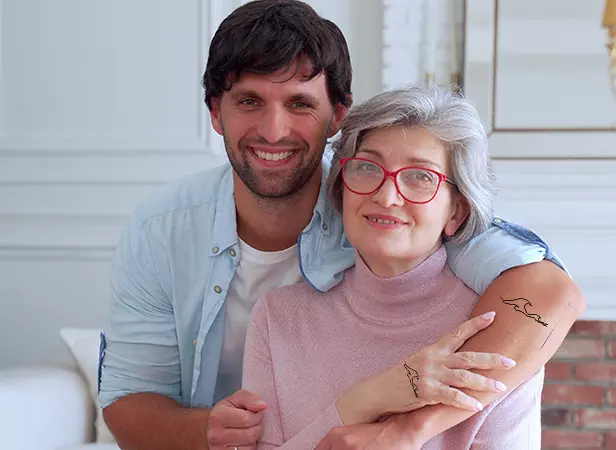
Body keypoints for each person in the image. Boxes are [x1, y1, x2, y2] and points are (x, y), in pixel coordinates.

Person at [98, 1, 585, 449]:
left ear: (337, 116)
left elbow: (550, 292)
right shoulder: (163, 233)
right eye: (248, 101)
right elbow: (127, 401)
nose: (273, 131)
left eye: (299, 104)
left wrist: (409, 426)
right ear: (215, 114)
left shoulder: (383, 208)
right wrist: (209, 429)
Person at [242, 84, 545, 450]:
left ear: (456, 211)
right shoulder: (278, 318)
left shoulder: (497, 338)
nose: (386, 196)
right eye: (368, 167)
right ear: (342, 189)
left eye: (421, 177)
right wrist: (364, 400)